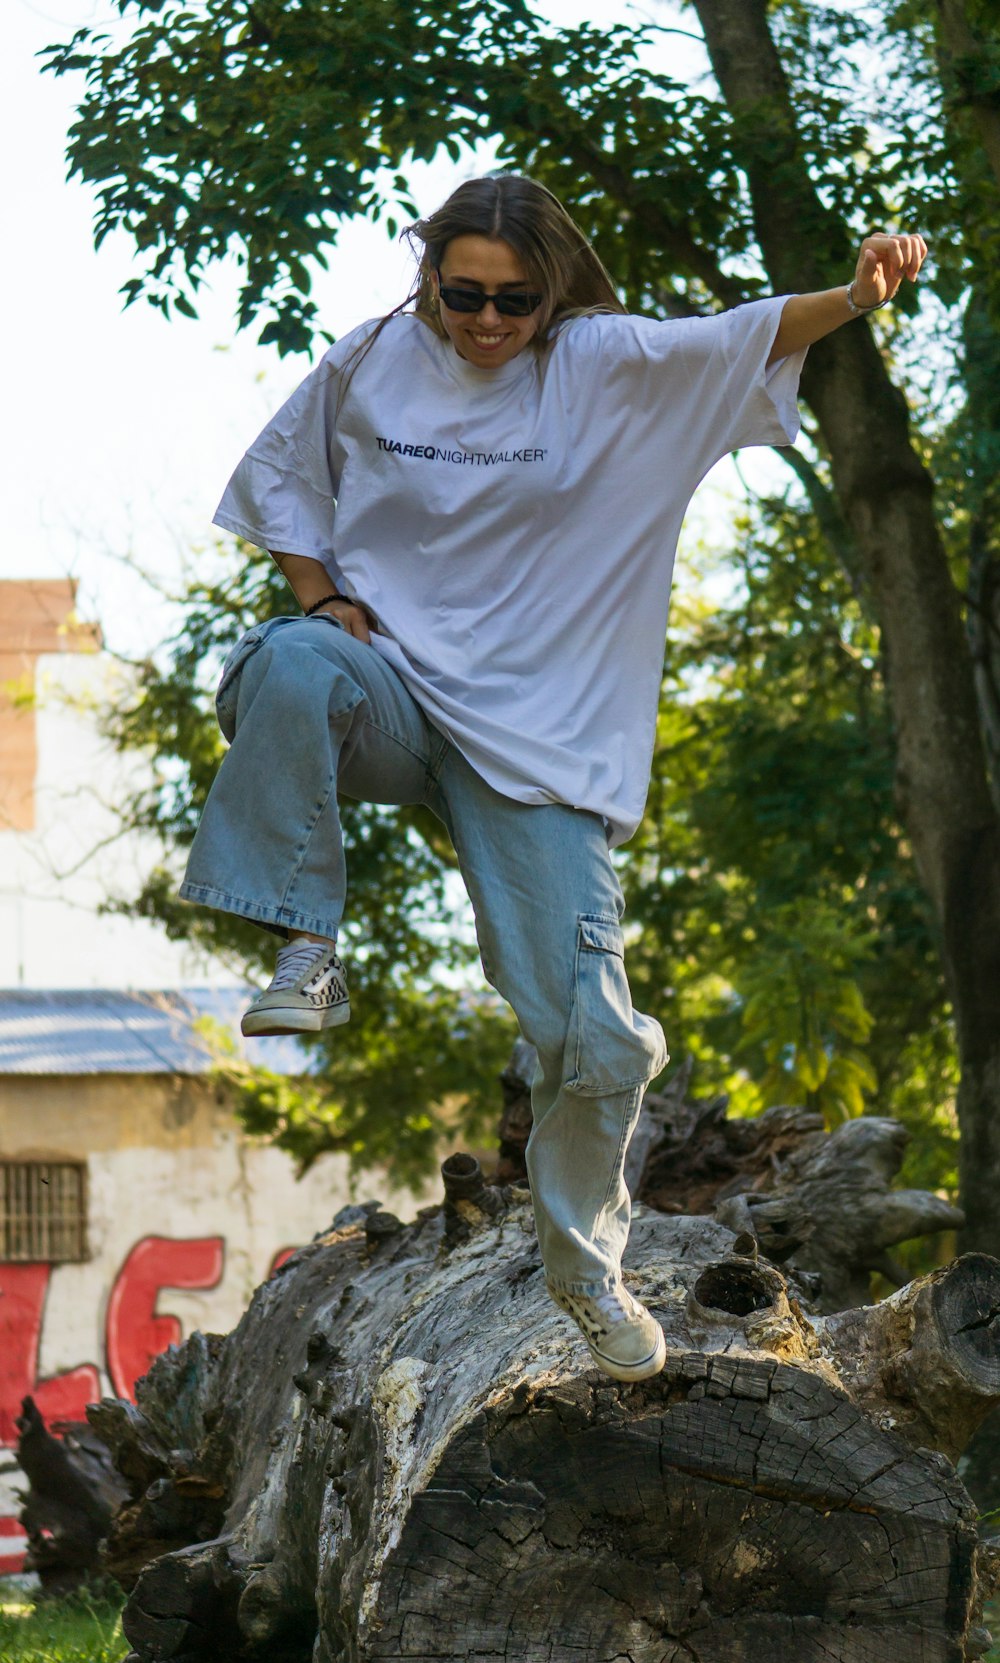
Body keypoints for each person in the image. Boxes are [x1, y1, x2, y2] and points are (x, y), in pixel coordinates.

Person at [181, 174, 927, 1383]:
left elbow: (738, 334)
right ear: (428, 276)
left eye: (512, 300)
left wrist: (851, 295)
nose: (484, 320)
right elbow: (282, 482)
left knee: (596, 1041)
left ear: (552, 291)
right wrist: (323, 595)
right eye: (461, 293)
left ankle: (584, 1266)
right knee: (284, 663)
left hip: (539, 749)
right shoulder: (370, 356)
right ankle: (304, 947)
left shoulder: (603, 366)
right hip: (390, 695)